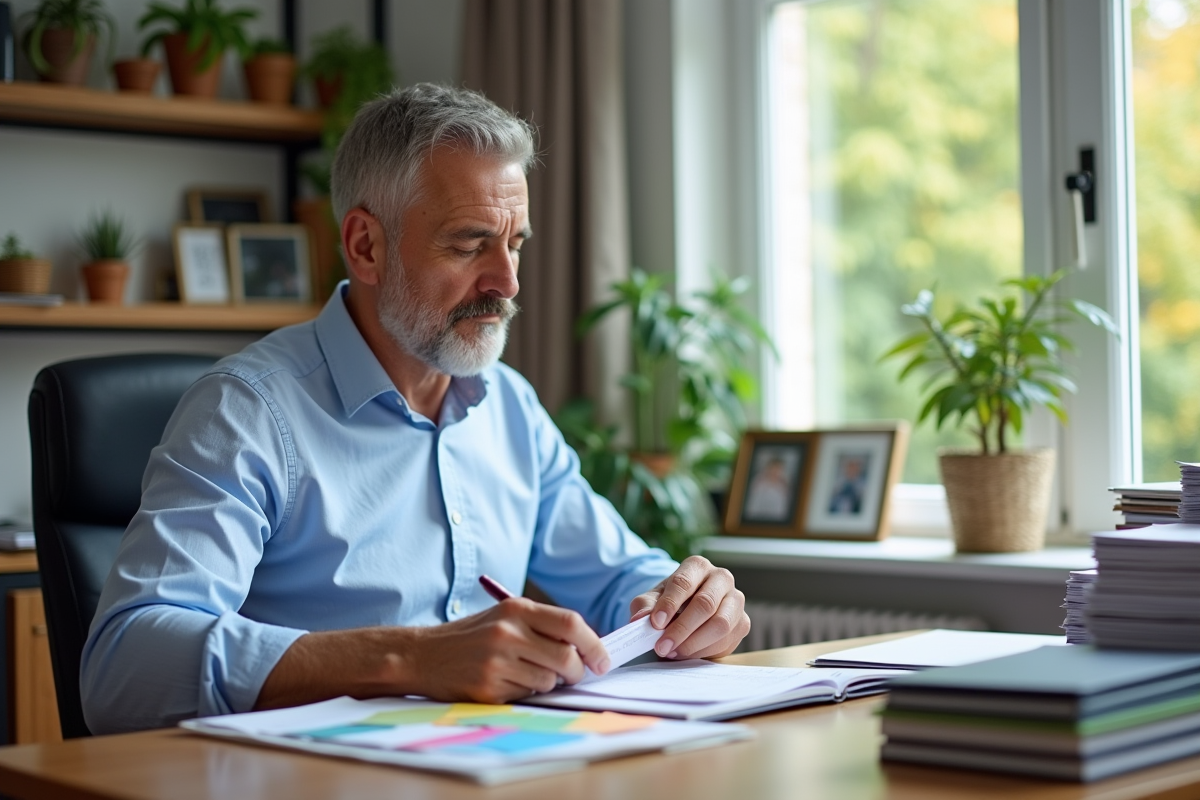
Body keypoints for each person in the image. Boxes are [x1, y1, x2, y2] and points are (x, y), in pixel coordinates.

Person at [80, 84, 750, 735]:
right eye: (468, 244)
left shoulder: (507, 405)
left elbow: (618, 579)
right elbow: (124, 667)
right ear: (366, 246)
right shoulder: (247, 412)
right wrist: (410, 658)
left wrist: (683, 602)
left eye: (515, 244)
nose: (508, 283)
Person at [742, 454, 793, 521]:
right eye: (774, 468)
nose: (776, 472)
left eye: (779, 469)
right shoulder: (758, 483)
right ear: (768, 468)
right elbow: (752, 505)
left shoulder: (784, 486)